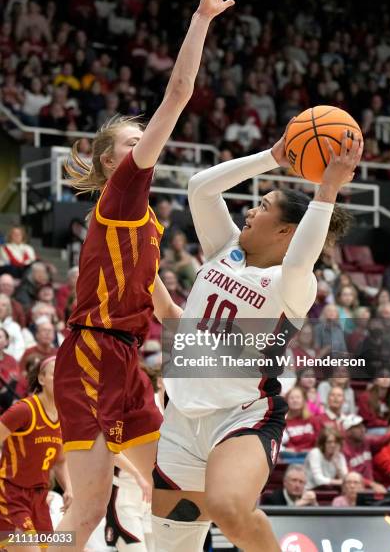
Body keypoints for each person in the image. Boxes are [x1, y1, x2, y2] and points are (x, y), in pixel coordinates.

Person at [53, 0, 236, 552]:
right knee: (85, 514)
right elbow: (179, 94)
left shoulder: (149, 224)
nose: (145, 147)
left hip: (128, 363)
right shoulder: (122, 193)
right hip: (87, 356)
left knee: (182, 490)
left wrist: (230, 347)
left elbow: (166, 310)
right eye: (134, 143)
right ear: (114, 162)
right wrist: (202, 16)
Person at [151, 124, 362, 552]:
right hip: (180, 416)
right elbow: (200, 189)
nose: (249, 211)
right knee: (172, 532)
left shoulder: (293, 283)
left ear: (285, 232)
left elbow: (305, 255)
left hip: (242, 414)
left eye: (262, 206)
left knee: (228, 508)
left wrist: (327, 191)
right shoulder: (224, 248)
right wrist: (273, 156)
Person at [0, 356, 72, 550]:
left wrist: (68, 489)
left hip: (39, 499)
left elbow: (60, 461)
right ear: (41, 379)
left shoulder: (64, 416)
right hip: (11, 494)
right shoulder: (24, 410)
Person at [341, 414, 389, 493]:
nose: (362, 429)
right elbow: (349, 475)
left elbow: (381, 440)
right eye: (358, 427)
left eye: (362, 426)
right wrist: (372, 484)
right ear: (348, 432)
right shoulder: (343, 450)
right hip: (352, 488)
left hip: (370, 487)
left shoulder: (366, 441)